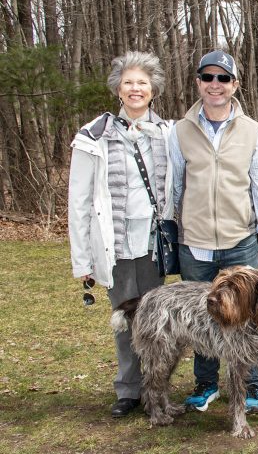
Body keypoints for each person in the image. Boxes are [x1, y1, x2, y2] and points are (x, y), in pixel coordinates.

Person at [169, 50, 258, 413]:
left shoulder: (252, 132)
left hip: (239, 241)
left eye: (223, 79)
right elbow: (173, 185)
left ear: (235, 84)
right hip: (195, 243)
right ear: (198, 82)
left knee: (246, 316)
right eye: (208, 78)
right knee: (205, 317)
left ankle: (250, 389)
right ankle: (206, 385)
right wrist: (174, 229)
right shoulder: (180, 130)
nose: (215, 85)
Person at [68, 51, 173, 418]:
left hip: (152, 247)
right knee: (125, 318)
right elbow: (79, 202)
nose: (135, 89)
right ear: (117, 88)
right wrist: (83, 259)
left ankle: (155, 389)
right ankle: (128, 390)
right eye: (128, 82)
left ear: (153, 89)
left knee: (155, 321)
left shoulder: (166, 133)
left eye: (142, 82)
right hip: (115, 246)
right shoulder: (93, 136)